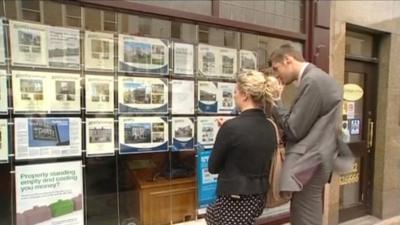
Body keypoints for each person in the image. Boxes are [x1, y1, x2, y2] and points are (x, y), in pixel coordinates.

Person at [269, 44, 342, 225]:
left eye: (277, 68)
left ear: (288, 59)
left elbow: (294, 129)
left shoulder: (313, 81)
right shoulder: (318, 78)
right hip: (317, 157)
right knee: (306, 211)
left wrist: (276, 101)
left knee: (304, 216)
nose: (277, 75)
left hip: (310, 159)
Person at [205, 70, 278, 225]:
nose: (234, 96)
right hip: (259, 197)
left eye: (235, 92)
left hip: (234, 198)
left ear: (245, 95)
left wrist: (225, 131)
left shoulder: (231, 128)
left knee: (210, 214)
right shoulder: (271, 126)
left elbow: (213, 166)